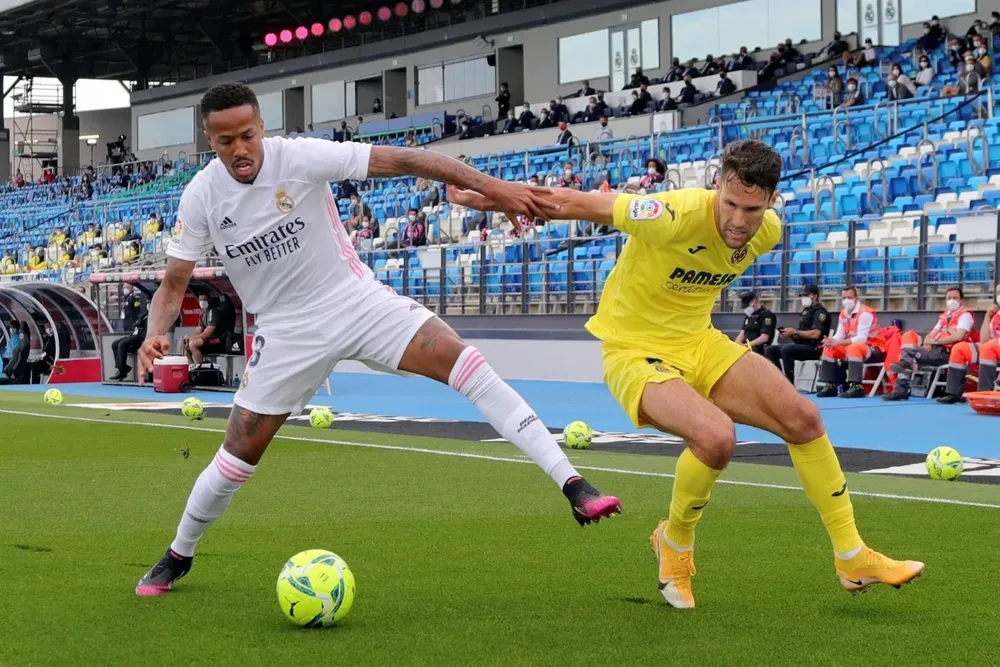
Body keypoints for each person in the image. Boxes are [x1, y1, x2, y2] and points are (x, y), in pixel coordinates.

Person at [134, 83, 621, 597]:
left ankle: (573, 483)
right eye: (226, 140)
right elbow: (174, 282)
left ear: (262, 128)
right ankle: (178, 554)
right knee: (235, 459)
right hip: (285, 331)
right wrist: (155, 333)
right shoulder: (202, 194)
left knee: (467, 363)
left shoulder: (300, 157)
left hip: (356, 301)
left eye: (248, 135)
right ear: (209, 140)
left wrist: (497, 191)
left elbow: (412, 159)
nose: (240, 149)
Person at [446, 140, 924, 610]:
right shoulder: (671, 214)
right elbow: (573, 201)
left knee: (803, 417)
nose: (739, 220)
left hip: (699, 342)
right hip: (634, 349)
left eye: (752, 209)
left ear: (771, 202)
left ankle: (851, 555)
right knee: (717, 438)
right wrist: (484, 190)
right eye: (731, 203)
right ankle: (674, 544)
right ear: (717, 187)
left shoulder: (768, 232)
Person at [883, 287, 974, 401]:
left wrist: (935, 341)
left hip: (951, 352)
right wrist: (928, 341)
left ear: (961, 300)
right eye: (949, 298)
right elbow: (930, 334)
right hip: (936, 350)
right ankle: (901, 380)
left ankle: (900, 389)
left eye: (955, 298)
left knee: (908, 357)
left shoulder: (965, 315)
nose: (952, 300)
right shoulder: (945, 316)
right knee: (909, 349)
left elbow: (958, 336)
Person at [936, 283, 1000, 403]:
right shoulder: (996, 316)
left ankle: (984, 393)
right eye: (998, 293)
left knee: (988, 348)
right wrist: (987, 316)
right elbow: (984, 340)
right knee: (960, 348)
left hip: (993, 349)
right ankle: (953, 392)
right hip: (991, 348)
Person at [765, 283, 830, 385]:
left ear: (815, 296)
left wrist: (795, 332)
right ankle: (778, 380)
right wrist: (790, 334)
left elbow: (816, 334)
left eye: (805, 296)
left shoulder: (820, 312)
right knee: (771, 350)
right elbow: (800, 336)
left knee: (787, 349)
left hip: (814, 348)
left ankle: (789, 383)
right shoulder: (806, 311)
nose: (803, 298)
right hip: (801, 346)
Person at [733, 291, 775, 356]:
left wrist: (747, 345)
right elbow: (742, 333)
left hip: (758, 348)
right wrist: (738, 343)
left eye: (747, 306)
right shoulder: (749, 315)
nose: (746, 309)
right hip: (746, 347)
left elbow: (764, 338)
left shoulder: (766, 315)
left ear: (754, 301)